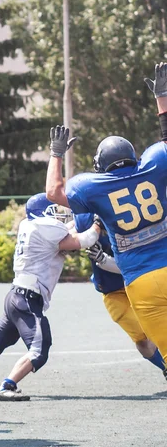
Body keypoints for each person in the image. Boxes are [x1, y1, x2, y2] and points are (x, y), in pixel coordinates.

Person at [46, 61, 167, 370]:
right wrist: (162, 97)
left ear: (100, 167)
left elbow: (53, 192)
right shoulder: (153, 162)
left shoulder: (92, 187)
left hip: (140, 279)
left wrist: (56, 153)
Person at [0, 193, 101, 401]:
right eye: (55, 211)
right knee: (40, 348)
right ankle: (7, 385)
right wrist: (98, 223)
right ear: (45, 213)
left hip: (16, 296)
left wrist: (80, 223)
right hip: (27, 299)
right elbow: (83, 240)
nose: (60, 215)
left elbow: (66, 234)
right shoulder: (44, 227)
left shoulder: (31, 225)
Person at [76, 214, 166, 379]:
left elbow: (134, 265)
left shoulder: (136, 219)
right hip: (113, 291)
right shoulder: (85, 218)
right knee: (143, 341)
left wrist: (104, 260)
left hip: (142, 280)